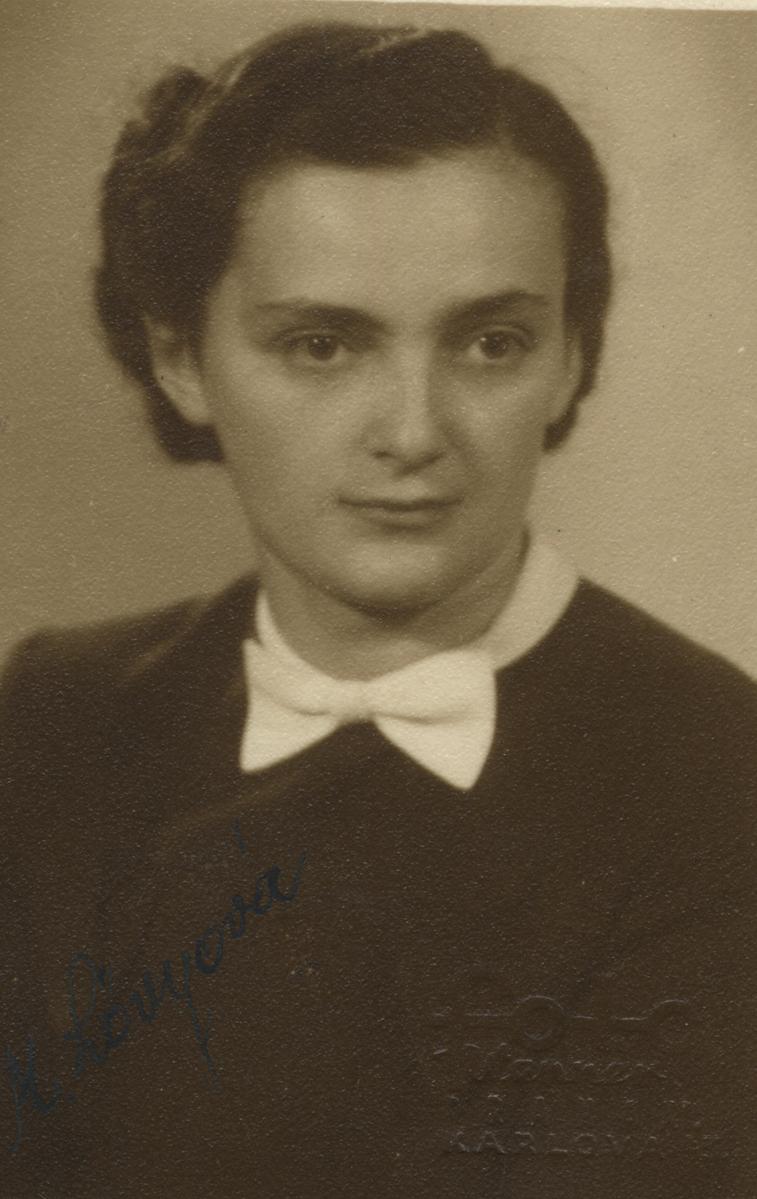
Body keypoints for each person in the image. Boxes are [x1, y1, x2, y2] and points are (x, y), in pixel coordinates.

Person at [1, 20, 754, 1199]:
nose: (412, 430)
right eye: (321, 345)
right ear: (182, 359)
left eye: (490, 342)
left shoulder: (717, 770)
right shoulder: (50, 718)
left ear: (569, 356)